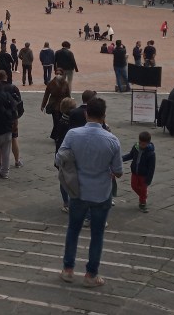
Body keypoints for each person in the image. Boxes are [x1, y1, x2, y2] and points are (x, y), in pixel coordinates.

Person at [59, 96, 122, 288]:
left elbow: (59, 157)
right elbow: (118, 171)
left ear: (86, 113)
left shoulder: (72, 134)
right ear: (104, 116)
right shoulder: (112, 140)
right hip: (101, 193)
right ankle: (91, 274)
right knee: (97, 234)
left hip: (78, 190)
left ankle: (68, 270)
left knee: (73, 229)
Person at [51, 96, 76, 211]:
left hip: (61, 153)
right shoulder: (74, 122)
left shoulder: (61, 121)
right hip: (71, 154)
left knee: (63, 179)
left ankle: (66, 203)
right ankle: (71, 201)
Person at [122, 131, 156, 212]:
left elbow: (152, 168)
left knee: (143, 189)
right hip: (135, 172)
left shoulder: (151, 153)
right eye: (140, 143)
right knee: (134, 186)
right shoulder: (135, 147)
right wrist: (121, 158)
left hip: (144, 175)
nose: (142, 145)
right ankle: (143, 196)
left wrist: (149, 179)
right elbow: (130, 155)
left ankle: (142, 203)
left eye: (144, 144)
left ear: (148, 143)